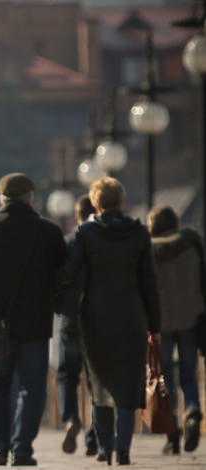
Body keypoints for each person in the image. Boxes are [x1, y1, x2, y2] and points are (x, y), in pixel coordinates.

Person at [0, 173, 66, 467]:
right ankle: (22, 448)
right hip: (35, 324)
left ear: (2, 199)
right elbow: (63, 277)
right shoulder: (49, 232)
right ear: (31, 198)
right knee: (32, 387)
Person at [58, 177, 160, 465]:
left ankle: (104, 448)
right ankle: (123, 448)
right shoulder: (139, 233)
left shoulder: (85, 232)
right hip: (132, 315)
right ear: (122, 201)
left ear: (96, 203)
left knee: (100, 384)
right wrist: (155, 326)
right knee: (128, 384)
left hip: (94, 317)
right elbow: (149, 283)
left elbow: (67, 274)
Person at [146, 205, 203, 454]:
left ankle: (172, 436)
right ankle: (192, 410)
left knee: (164, 380)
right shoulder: (193, 245)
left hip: (161, 323)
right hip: (191, 319)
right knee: (188, 376)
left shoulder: (149, 251)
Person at [54, 195, 98, 456]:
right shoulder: (101, 244)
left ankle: (71, 418)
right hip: (96, 322)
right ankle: (95, 436)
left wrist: (58, 310)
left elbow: (56, 282)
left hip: (69, 322)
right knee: (96, 382)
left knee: (66, 376)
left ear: (76, 216)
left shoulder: (66, 244)